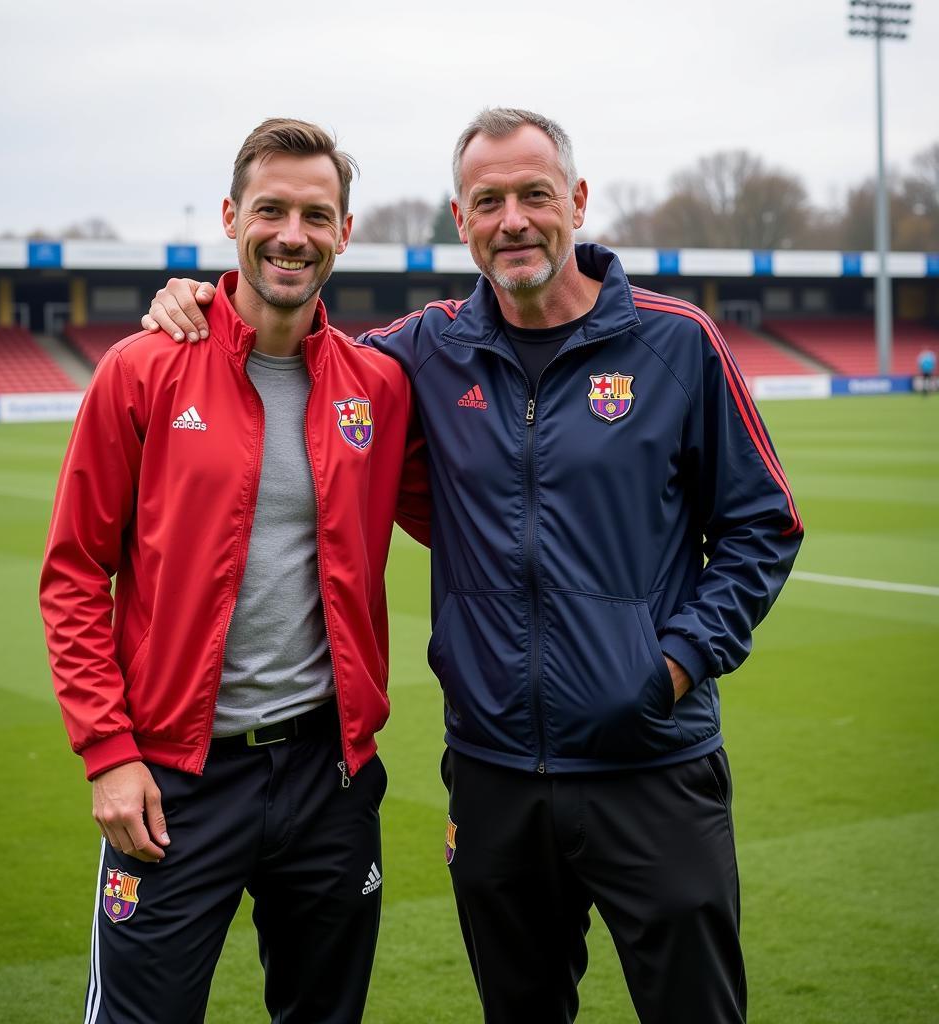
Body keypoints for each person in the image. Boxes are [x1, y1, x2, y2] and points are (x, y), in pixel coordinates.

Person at [143, 107, 803, 1024]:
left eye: (534, 195)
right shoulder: (422, 351)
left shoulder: (677, 342)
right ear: (461, 220)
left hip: (652, 763)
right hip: (494, 775)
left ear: (575, 201)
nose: (514, 220)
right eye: (487, 201)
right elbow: (296, 336)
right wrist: (208, 301)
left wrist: (674, 665)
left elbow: (763, 526)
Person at [40, 118, 429, 1024]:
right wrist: (108, 754)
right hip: (175, 781)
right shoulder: (140, 371)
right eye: (272, 210)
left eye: (316, 214)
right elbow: (73, 574)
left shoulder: (378, 387)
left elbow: (474, 515)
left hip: (329, 776)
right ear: (231, 216)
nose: (292, 234)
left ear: (344, 231)